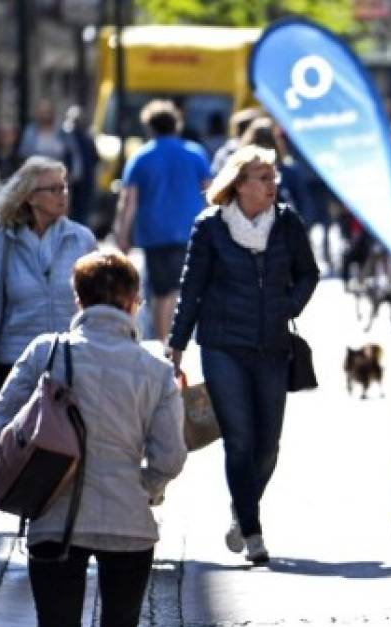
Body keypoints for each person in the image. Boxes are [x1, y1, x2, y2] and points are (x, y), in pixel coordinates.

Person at [0, 251, 187, 627]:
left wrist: (39, 470)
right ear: (134, 301)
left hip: (53, 517)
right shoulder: (155, 368)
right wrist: (143, 487)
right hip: (129, 522)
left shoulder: (47, 352)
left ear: (78, 300)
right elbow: (171, 456)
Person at [168, 145, 318, 565]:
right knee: (239, 439)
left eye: (273, 177)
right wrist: (176, 345)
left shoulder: (287, 223)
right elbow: (191, 288)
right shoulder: (210, 227)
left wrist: (289, 305)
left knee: (268, 445)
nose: (274, 184)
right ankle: (253, 533)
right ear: (240, 184)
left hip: (272, 345)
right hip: (222, 345)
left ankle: (242, 506)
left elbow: (310, 272)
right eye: (264, 177)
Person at [0, 157, 97, 384]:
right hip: (16, 361)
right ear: (30, 197)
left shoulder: (82, 239)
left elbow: (98, 300)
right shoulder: (5, 241)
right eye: (53, 189)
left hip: (69, 359)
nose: (63, 194)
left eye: (64, 187)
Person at [113, 100, 211, 343]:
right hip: (190, 228)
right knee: (177, 288)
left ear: (149, 128)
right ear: (176, 125)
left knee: (161, 291)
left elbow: (129, 201)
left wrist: (122, 234)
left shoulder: (140, 158)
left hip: (155, 231)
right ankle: (169, 342)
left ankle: (163, 342)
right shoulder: (195, 153)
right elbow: (210, 192)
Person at [61, 105, 99, 226]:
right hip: (69, 181)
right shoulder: (64, 137)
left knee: (82, 215)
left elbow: (95, 158)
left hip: (84, 183)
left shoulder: (87, 138)